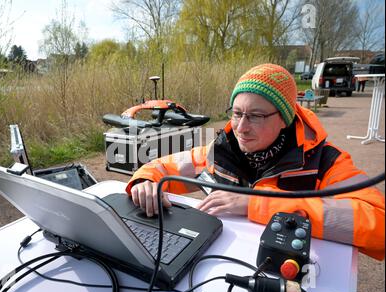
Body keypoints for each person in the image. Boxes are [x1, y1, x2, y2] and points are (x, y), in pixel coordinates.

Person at [125, 63, 385, 261]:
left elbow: (378, 223)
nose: (241, 127)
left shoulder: (326, 162)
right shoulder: (222, 151)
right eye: (237, 113)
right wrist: (145, 180)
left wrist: (257, 203)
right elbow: (166, 166)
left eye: (256, 116)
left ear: (285, 118)